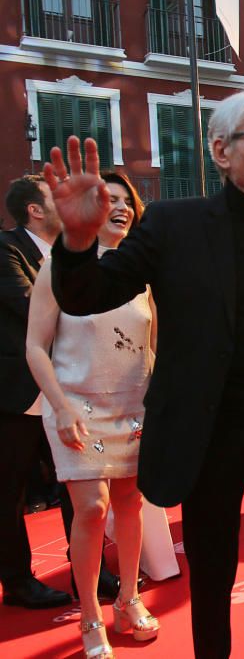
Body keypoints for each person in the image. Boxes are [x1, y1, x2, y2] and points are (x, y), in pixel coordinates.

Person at [43, 90, 244, 658]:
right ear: (220, 149)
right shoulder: (172, 225)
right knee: (212, 586)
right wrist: (76, 241)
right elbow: (85, 294)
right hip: (207, 438)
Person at [25, 172, 157, 658]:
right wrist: (59, 406)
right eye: (109, 200)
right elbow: (35, 348)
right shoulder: (55, 268)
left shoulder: (142, 276)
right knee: (92, 508)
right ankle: (89, 617)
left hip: (132, 406)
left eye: (127, 201)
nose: (120, 207)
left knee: (130, 502)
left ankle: (129, 599)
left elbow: (151, 347)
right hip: (76, 405)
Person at [0, 175, 74, 610]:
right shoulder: (6, 248)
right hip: (17, 394)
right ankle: (17, 582)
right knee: (9, 492)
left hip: (65, 389)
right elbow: (30, 308)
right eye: (56, 197)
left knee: (77, 484)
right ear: (35, 209)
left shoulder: (70, 255)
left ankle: (88, 568)